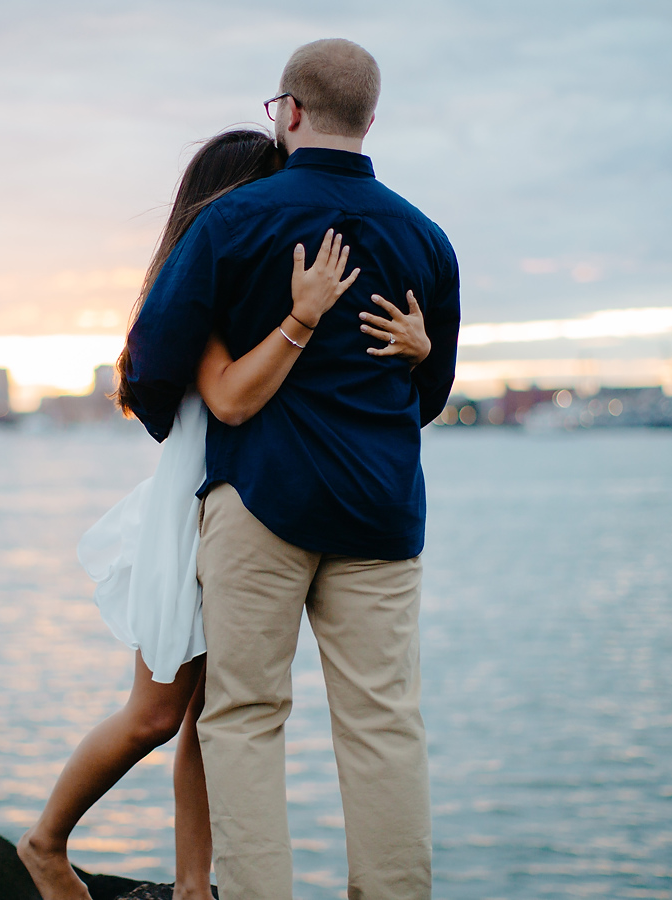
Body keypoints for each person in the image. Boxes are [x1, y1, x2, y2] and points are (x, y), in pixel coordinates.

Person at [18, 128, 433, 900]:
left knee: (216, 714)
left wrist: (420, 346)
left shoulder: (261, 292)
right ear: (226, 200)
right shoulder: (210, 299)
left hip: (247, 510)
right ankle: (44, 844)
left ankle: (192, 884)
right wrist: (300, 320)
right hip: (191, 516)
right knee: (156, 713)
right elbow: (229, 398)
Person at [122, 39, 461, 900]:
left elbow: (153, 355)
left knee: (242, 721)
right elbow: (430, 390)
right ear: (371, 120)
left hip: (261, 501)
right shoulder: (426, 238)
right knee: (383, 725)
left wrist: (197, 432)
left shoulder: (232, 222)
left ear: (292, 111)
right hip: (381, 511)